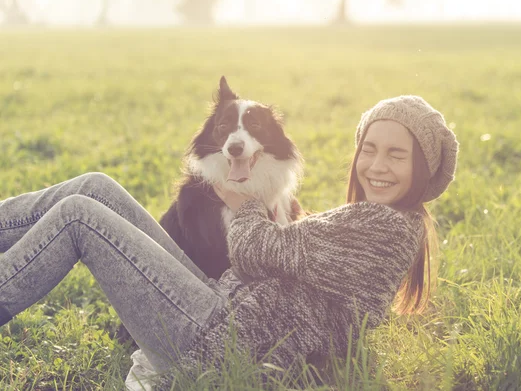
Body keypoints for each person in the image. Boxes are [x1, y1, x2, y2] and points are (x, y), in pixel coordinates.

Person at [0, 95, 458, 388]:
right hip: (216, 307)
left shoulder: (389, 230)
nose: (377, 165)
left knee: (81, 217)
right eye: (370, 150)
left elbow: (259, 249)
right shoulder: (371, 219)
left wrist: (243, 192)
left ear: (423, 169)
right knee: (96, 188)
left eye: (397, 155)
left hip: (216, 339)